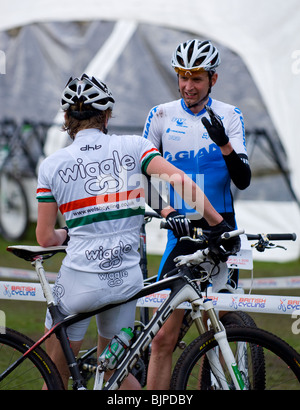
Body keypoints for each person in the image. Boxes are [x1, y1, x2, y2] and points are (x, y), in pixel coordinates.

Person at [35, 73, 239, 389]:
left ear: (66, 118)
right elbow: (180, 181)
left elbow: (45, 238)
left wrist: (68, 234)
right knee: (113, 377)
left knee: (57, 379)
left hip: (77, 283)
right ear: (106, 114)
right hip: (123, 282)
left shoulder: (52, 165)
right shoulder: (133, 146)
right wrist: (218, 224)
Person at [142, 39, 251, 389]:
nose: (189, 85)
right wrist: (167, 209)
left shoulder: (231, 116)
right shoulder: (159, 115)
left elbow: (243, 180)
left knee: (216, 335)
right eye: (183, 76)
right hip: (182, 234)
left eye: (197, 78)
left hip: (221, 232)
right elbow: (146, 178)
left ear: (213, 79)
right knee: (161, 339)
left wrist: (225, 145)